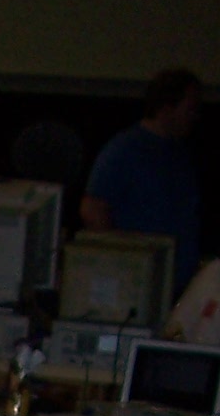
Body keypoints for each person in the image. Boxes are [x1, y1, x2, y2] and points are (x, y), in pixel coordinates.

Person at [82, 69, 204, 294]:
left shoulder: (179, 153)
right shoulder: (125, 150)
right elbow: (93, 211)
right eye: (190, 109)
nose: (195, 116)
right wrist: (123, 266)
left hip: (178, 284)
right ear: (167, 108)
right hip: (140, 286)